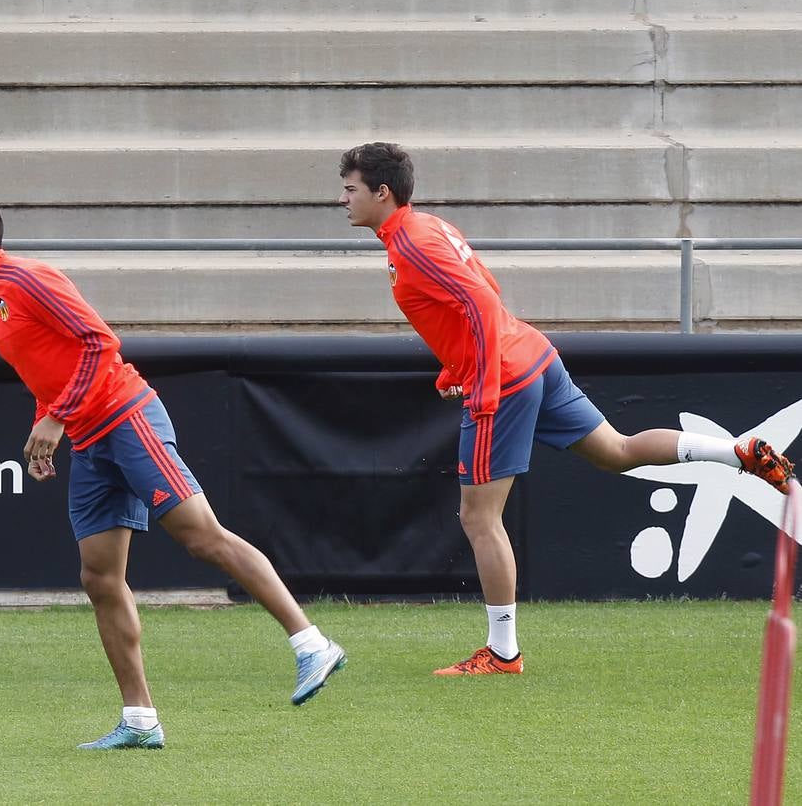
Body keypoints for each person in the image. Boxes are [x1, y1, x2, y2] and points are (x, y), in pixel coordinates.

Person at [337, 141, 796, 676]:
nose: (342, 200)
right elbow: (482, 289)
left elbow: (481, 303)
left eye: (350, 189)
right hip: (531, 356)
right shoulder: (426, 228)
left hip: (505, 379)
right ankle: (734, 452)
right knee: (616, 452)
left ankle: (503, 651)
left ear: (381, 191)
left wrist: (481, 384)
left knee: (478, 517)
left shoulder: (411, 243)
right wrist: (456, 368)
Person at [0, 189, 346, 749]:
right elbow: (48, 369)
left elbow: (99, 344)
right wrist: (46, 429)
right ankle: (140, 720)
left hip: (126, 417)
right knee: (99, 576)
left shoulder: (26, 278)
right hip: (90, 437)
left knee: (201, 537)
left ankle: (311, 644)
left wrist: (57, 420)